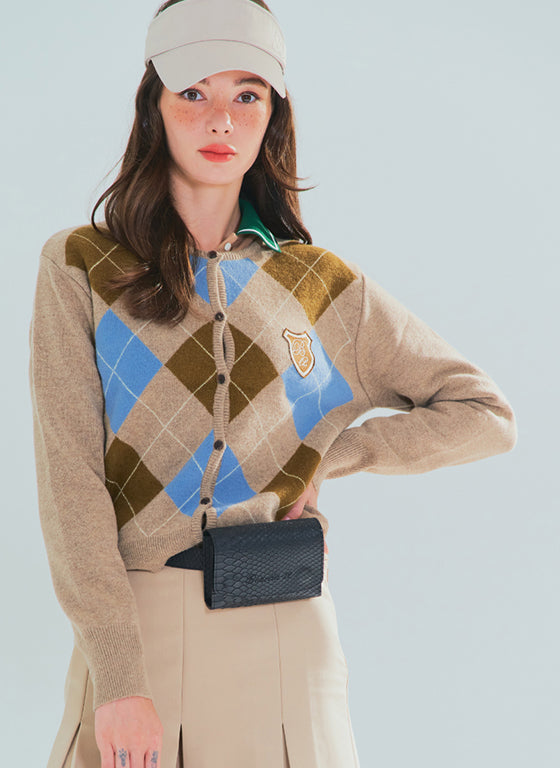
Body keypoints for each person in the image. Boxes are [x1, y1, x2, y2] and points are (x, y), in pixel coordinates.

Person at [27, 1, 517, 766]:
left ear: (273, 114)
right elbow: (71, 483)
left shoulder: (321, 285)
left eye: (247, 94)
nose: (220, 118)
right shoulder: (84, 266)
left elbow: (485, 414)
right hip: (141, 632)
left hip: (289, 634)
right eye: (193, 91)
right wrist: (118, 676)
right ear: (154, 106)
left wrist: (338, 456)